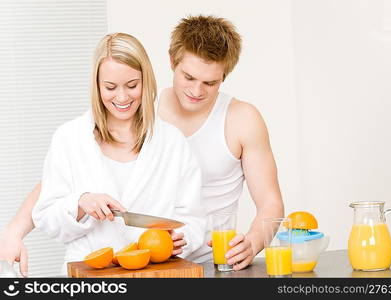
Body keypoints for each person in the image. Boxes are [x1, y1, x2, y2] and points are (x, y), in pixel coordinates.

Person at [0, 15, 284, 275]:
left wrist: (252, 242)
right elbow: (60, 180)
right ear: (172, 61)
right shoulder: (138, 109)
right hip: (130, 264)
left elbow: (269, 202)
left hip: (202, 258)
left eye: (210, 83)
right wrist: (15, 231)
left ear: (224, 76)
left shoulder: (237, 120)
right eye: (188, 77)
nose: (196, 91)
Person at [29, 32, 205, 275]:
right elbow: (46, 217)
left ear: (146, 82)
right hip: (91, 276)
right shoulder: (69, 138)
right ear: (97, 85)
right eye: (110, 87)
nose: (122, 97)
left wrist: (179, 239)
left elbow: (193, 217)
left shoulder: (172, 142)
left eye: (132, 86)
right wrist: (80, 203)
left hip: (155, 275)